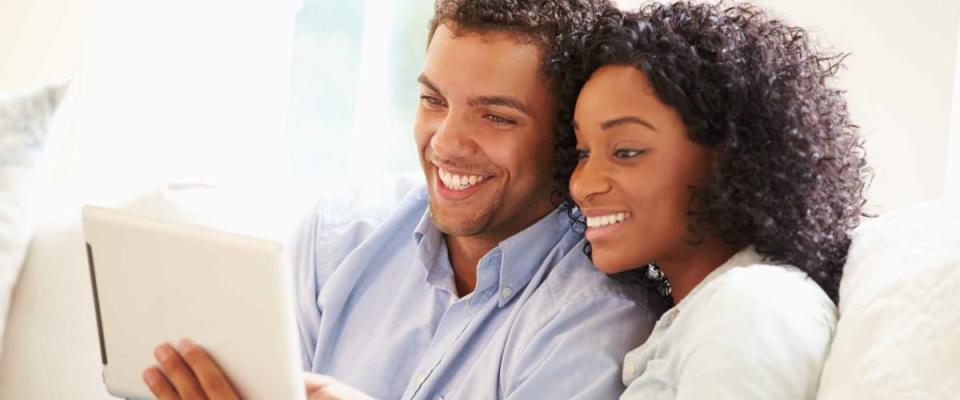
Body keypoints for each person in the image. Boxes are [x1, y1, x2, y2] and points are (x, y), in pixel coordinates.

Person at [140, 1, 666, 399]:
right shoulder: (339, 235)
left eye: (496, 117)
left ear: (568, 139)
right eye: (433, 101)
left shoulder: (595, 321)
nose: (444, 143)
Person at [549, 2, 869, 398]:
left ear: (735, 155)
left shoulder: (751, 309)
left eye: (626, 151)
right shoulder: (705, 312)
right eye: (582, 153)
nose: (583, 184)